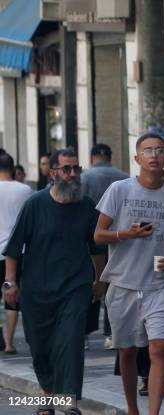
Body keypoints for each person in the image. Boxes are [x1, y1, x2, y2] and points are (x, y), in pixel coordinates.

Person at [94, 132, 164, 415]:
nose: (154, 155)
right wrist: (127, 233)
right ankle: (132, 409)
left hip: (160, 285)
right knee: (127, 352)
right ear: (137, 158)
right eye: (147, 150)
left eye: (159, 150)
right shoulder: (119, 190)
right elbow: (98, 235)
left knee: (159, 348)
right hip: (123, 285)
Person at [2, 148, 106, 415]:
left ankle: (69, 402)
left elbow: (96, 249)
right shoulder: (35, 204)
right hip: (36, 291)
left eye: (76, 169)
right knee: (41, 348)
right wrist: (10, 284)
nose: (73, 175)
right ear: (53, 173)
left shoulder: (86, 206)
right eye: (67, 169)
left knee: (70, 342)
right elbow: (14, 248)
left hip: (75, 287)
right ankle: (49, 397)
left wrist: (99, 280)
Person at [113, 165, 164, 399]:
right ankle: (146, 378)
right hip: (132, 272)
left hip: (162, 268)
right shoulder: (130, 194)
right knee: (136, 336)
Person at [81, 143, 129, 350]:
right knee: (114, 284)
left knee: (94, 283)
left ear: (92, 157)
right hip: (119, 237)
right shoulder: (124, 176)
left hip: (93, 237)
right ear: (110, 156)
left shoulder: (86, 177)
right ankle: (112, 332)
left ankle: (84, 332)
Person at [0, 153, 33, 354]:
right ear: (13, 168)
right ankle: (9, 342)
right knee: (11, 295)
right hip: (16, 253)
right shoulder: (25, 190)